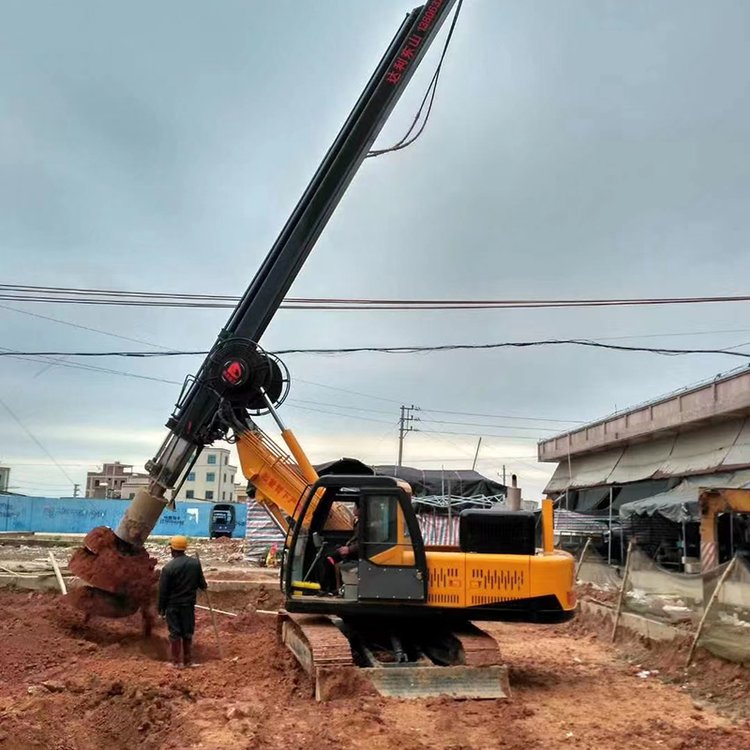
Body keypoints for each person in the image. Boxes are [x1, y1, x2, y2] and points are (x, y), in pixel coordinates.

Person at [158, 535, 207, 668]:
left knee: (175, 633)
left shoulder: (168, 568)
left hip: (172, 606)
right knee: (187, 632)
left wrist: (160, 610)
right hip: (188, 606)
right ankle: (188, 661)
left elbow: (163, 592)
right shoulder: (195, 564)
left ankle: (176, 662)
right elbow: (203, 585)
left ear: (172, 549)